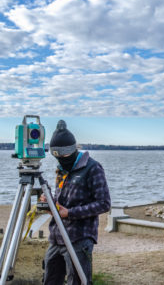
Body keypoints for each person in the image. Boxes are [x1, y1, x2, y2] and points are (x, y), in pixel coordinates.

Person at [41, 120, 111, 285]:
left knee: (78, 281)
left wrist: (70, 213)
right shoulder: (61, 168)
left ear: (73, 149)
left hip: (79, 238)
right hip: (57, 236)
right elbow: (62, 200)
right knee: (49, 280)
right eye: (56, 156)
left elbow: (104, 203)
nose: (61, 160)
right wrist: (50, 203)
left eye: (64, 155)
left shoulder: (93, 168)